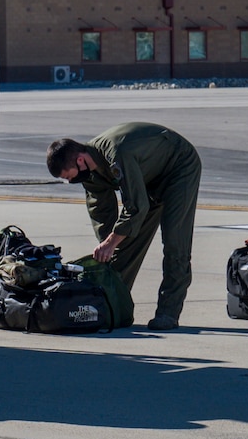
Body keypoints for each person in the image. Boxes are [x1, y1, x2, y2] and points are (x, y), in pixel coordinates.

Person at [46, 122, 202, 331]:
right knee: (121, 244)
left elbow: (136, 206)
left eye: (69, 176)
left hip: (178, 167)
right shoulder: (90, 174)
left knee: (176, 244)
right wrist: (109, 246)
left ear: (80, 159)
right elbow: (101, 212)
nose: (71, 181)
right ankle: (110, 304)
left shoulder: (118, 154)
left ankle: (168, 313)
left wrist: (112, 242)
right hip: (149, 177)